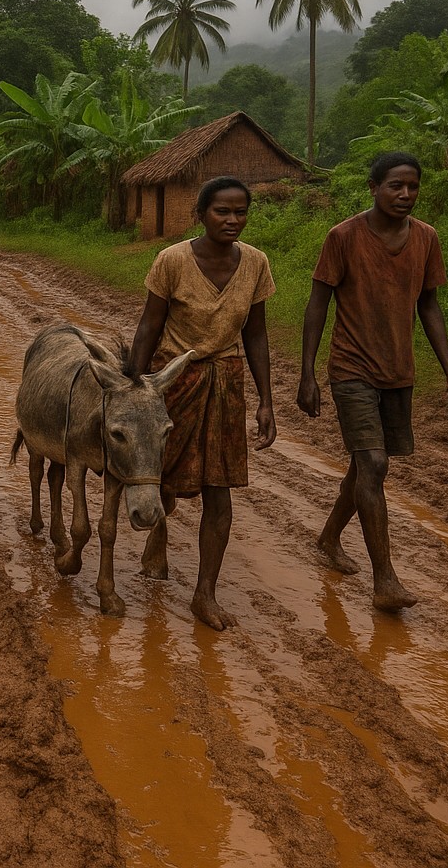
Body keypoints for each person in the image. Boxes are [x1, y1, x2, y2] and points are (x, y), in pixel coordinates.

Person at [298, 152, 448, 611]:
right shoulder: (343, 236)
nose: (406, 195)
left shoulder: (426, 239)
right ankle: (385, 580)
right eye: (396, 185)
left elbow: (428, 306)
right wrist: (307, 372)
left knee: (364, 466)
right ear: (373, 187)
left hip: (399, 371)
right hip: (352, 368)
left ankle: (330, 537)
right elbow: (318, 304)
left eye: (413, 186)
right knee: (374, 464)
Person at [124, 176, 276, 630]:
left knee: (219, 487)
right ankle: (159, 531)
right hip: (174, 378)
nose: (232, 220)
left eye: (240, 212)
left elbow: (256, 334)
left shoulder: (255, 264)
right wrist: (134, 387)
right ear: (201, 214)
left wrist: (267, 400)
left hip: (226, 381)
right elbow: (149, 326)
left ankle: (204, 593)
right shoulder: (172, 260)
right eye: (222, 212)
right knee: (162, 472)